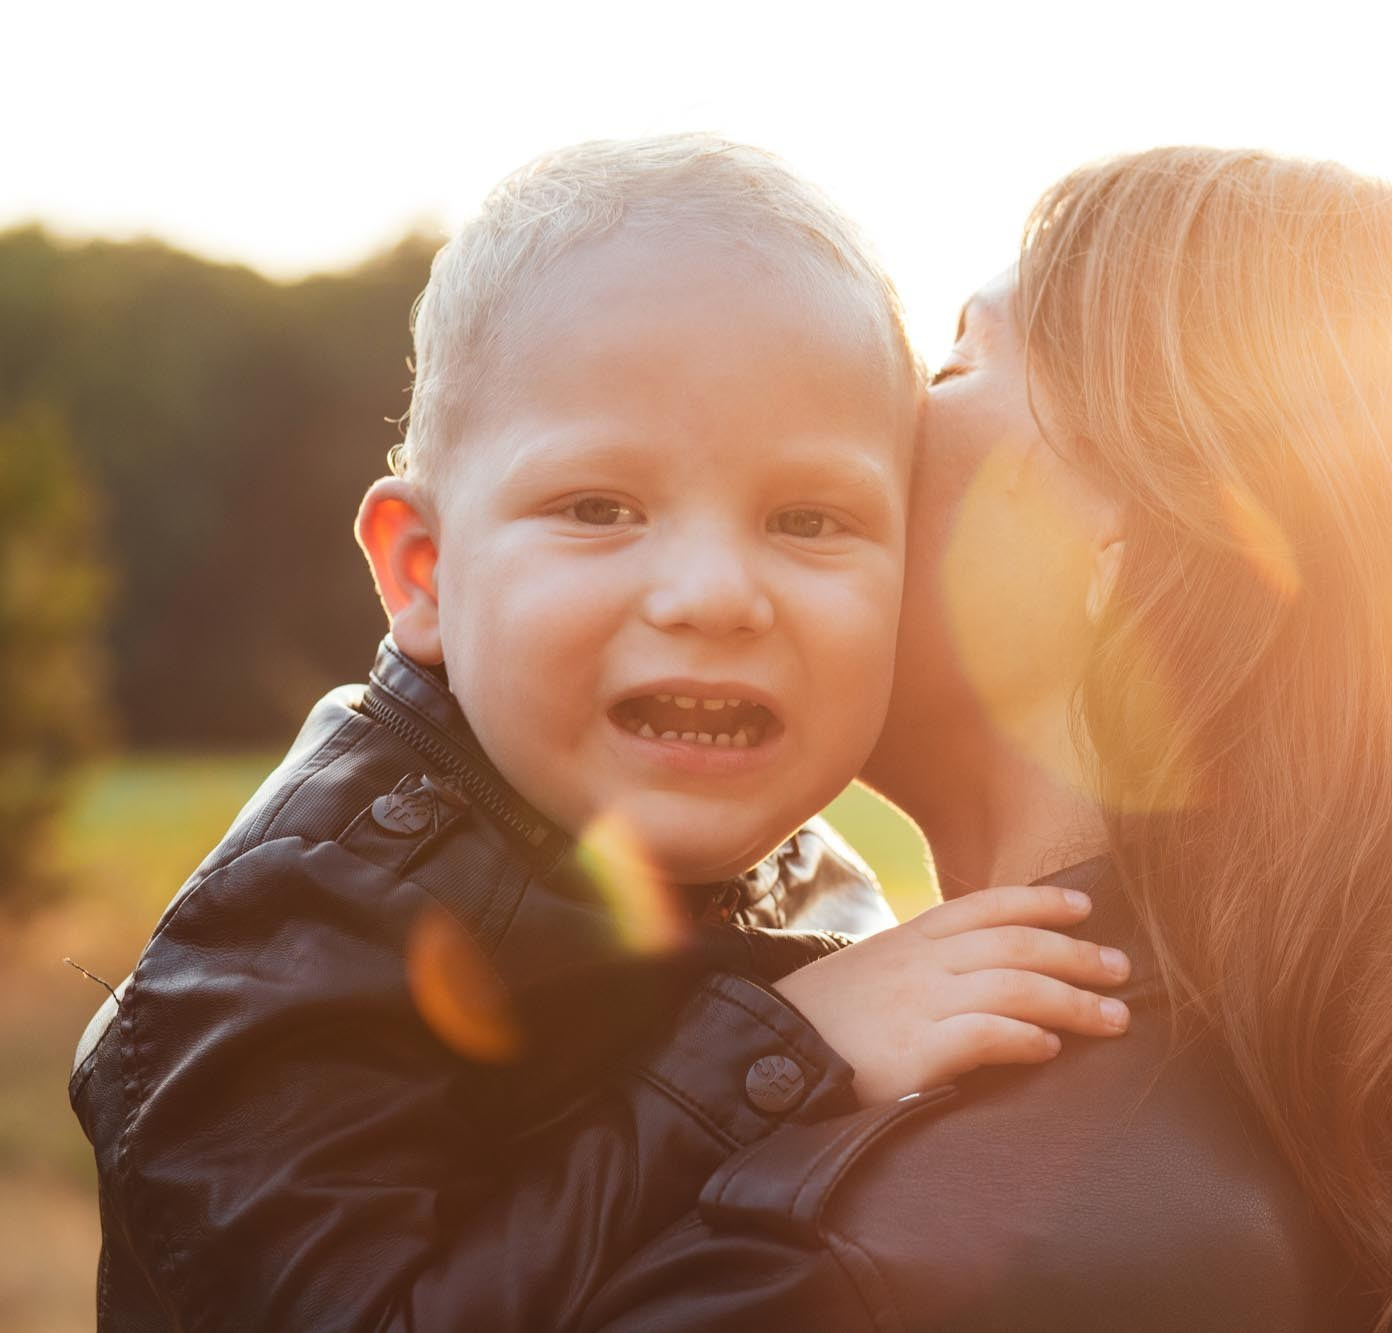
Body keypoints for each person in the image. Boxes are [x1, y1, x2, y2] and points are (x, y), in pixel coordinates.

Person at [582, 147, 1392, 1331]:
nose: (864, 424)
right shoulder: (1349, 1155)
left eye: (951, 366)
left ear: (1121, 551)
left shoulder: (871, 1255)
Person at [67, 136, 1131, 1331]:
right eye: (596, 508)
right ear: (424, 572)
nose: (712, 592)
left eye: (808, 518)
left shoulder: (807, 875)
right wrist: (773, 1054)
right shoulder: (308, 933)